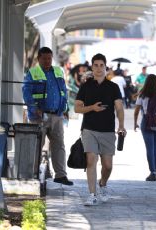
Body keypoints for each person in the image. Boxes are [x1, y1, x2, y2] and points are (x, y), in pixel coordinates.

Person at [74, 53, 126, 206]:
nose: (98, 68)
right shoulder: (86, 86)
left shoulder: (113, 87)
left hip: (108, 130)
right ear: (92, 67)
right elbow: (77, 108)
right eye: (95, 65)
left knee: (108, 165)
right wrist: (92, 108)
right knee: (91, 160)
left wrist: (121, 125)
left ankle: (102, 184)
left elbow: (119, 108)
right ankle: (92, 194)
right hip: (89, 129)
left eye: (101, 65)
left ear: (105, 67)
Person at [22, 47, 73, 186]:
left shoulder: (57, 71)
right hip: (39, 116)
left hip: (57, 115)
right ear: (39, 59)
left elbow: (63, 91)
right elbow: (26, 93)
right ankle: (33, 175)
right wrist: (34, 108)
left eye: (49, 58)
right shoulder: (33, 73)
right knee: (37, 145)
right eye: (44, 58)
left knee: (59, 145)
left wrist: (65, 108)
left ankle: (61, 175)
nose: (47, 61)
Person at [134, 74, 156, 181]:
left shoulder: (142, 95)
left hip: (146, 122)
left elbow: (137, 111)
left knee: (149, 148)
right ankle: (155, 170)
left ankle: (153, 172)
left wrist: (135, 123)